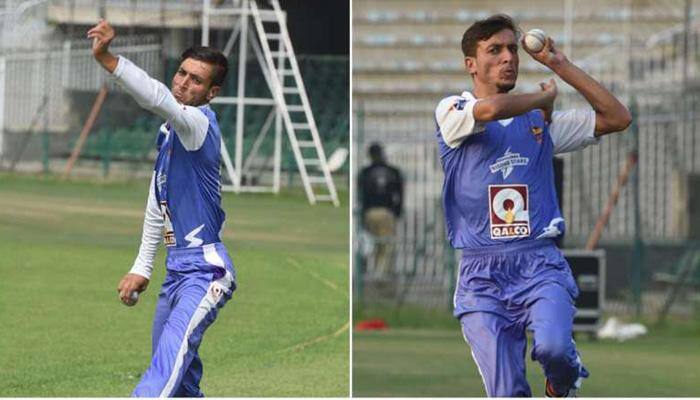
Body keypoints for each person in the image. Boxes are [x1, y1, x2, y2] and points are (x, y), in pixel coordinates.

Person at [434, 15, 630, 397]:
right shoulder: (452, 111)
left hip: (538, 262)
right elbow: (488, 111)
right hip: (480, 276)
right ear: (470, 64)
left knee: (554, 349)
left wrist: (560, 65)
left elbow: (618, 117)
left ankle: (563, 382)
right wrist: (544, 98)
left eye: (512, 49)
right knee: (507, 393)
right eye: (495, 50)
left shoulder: (541, 126)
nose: (508, 57)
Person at [88, 20, 237, 397]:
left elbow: (156, 96)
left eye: (197, 80)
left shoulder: (196, 123)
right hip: (176, 270)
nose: (184, 83)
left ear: (211, 92)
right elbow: (159, 203)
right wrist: (142, 265)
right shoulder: (171, 133)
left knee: (163, 371)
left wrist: (108, 59)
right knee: (182, 381)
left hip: (205, 273)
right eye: (182, 73)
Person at [358, 143, 403, 277]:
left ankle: (364, 274)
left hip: (370, 212)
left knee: (368, 244)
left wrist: (361, 214)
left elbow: (361, 196)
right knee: (385, 246)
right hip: (386, 212)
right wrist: (397, 212)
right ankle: (382, 275)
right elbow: (400, 195)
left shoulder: (365, 172)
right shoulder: (393, 171)